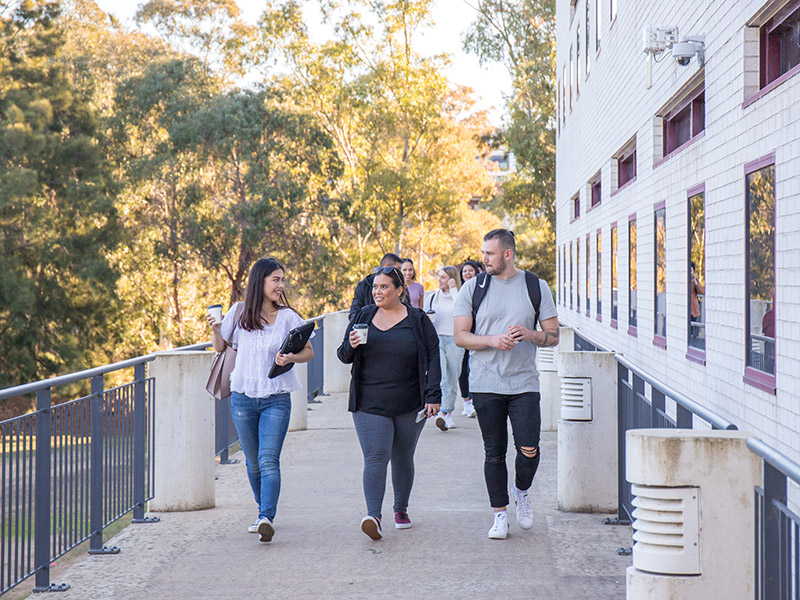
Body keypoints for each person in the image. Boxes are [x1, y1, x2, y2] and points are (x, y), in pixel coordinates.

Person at [453, 229, 559, 540]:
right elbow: (460, 337)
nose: (484, 259)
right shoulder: (472, 288)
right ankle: (499, 515)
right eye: (483, 253)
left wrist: (531, 334)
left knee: (529, 448)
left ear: (508, 254)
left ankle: (522, 491)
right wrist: (492, 340)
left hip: (524, 382)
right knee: (494, 452)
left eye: (490, 254)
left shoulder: (535, 286)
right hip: (485, 382)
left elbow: (553, 336)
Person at [207, 258, 314, 543]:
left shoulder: (288, 317)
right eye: (275, 280)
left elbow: (309, 352)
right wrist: (216, 328)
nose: (281, 285)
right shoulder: (238, 313)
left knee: (268, 459)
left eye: (282, 280)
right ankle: (261, 510)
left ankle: (266, 517)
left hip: (276, 398)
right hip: (242, 397)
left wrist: (291, 357)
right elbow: (219, 347)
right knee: (253, 462)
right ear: (260, 281)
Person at [337, 266, 441, 540]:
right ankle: (374, 516)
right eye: (375, 287)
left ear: (399, 290)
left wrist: (433, 395)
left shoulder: (418, 320)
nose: (377, 292)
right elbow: (343, 355)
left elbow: (433, 356)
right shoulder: (362, 316)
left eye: (384, 287)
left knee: (403, 456)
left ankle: (400, 508)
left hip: (410, 402)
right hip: (369, 402)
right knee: (375, 456)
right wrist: (351, 345)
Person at [426, 265, 462, 431]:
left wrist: (454, 290)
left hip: (455, 340)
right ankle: (441, 412)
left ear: (452, 279)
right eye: (439, 276)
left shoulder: (459, 296)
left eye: (443, 277)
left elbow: (461, 310)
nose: (439, 280)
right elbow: (424, 316)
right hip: (437, 339)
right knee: (442, 377)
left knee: (452, 379)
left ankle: (448, 413)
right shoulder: (433, 297)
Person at [458, 260, 484, 418]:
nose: (467, 273)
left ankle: (474, 400)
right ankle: (466, 401)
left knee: (473, 367)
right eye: (464, 271)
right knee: (462, 368)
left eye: (470, 271)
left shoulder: (482, 290)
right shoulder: (459, 291)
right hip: (462, 334)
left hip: (479, 333)